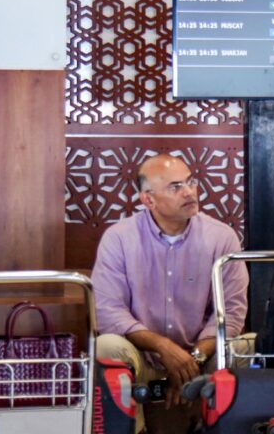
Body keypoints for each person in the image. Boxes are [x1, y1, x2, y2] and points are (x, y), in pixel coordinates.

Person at [91, 154, 250, 434]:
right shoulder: (119, 238)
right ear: (148, 200)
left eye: (190, 182)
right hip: (144, 358)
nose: (189, 192)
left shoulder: (221, 237)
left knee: (246, 347)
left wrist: (192, 359)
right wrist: (165, 349)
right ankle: (132, 429)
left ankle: (218, 427)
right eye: (175, 187)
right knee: (106, 346)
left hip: (201, 356)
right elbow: (107, 311)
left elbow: (231, 312)